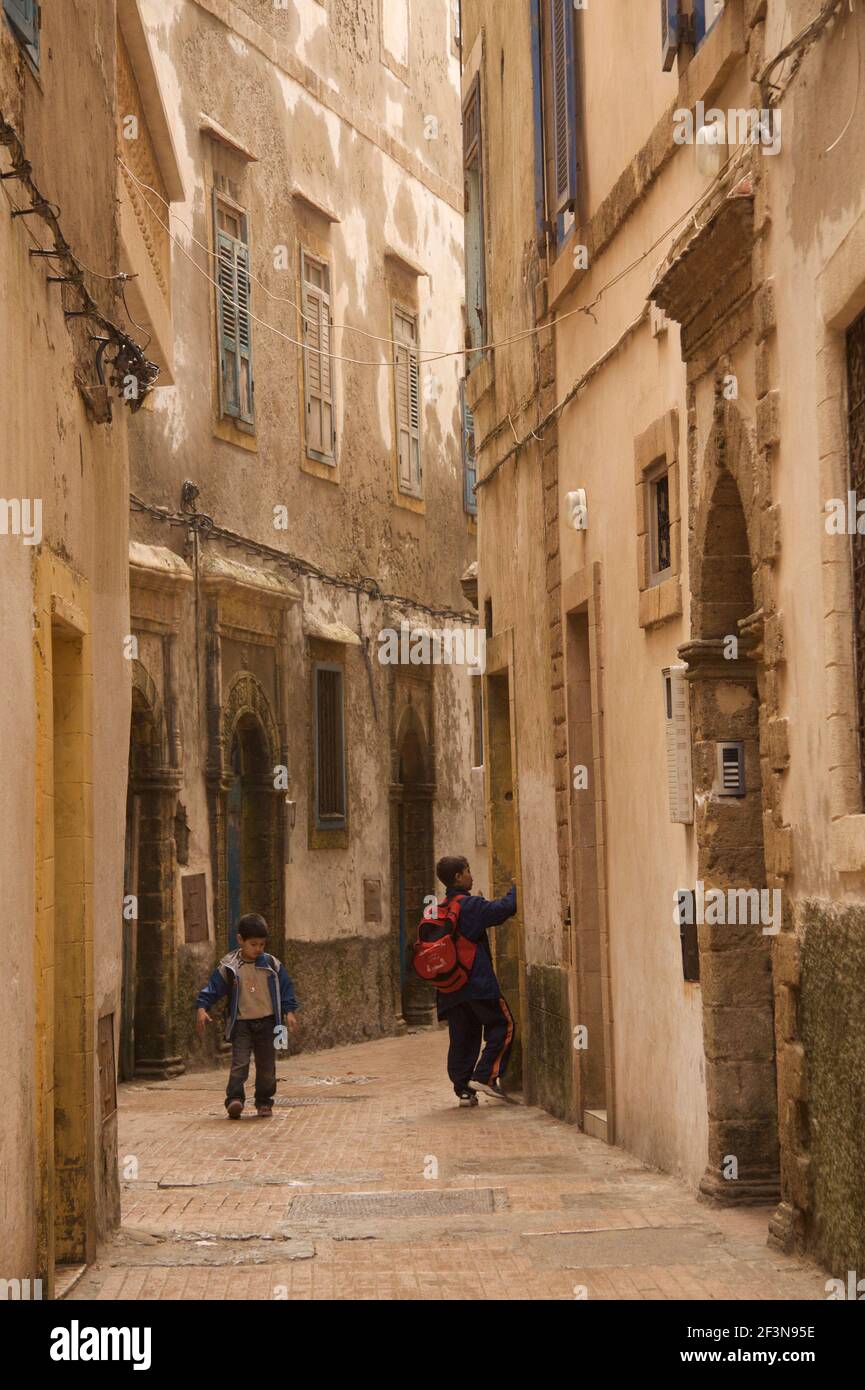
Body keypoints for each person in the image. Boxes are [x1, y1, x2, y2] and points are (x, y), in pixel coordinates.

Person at [195, 913, 299, 1119]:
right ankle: (234, 1099)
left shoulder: (272, 965)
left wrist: (289, 1011)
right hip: (242, 1024)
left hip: (269, 1023)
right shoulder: (230, 966)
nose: (258, 949)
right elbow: (213, 988)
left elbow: (286, 988)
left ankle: (264, 1101)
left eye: (262, 944)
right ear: (240, 940)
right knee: (239, 1063)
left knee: (267, 1066)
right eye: (253, 944)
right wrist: (202, 1007)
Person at [433, 855, 517, 1107]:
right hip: (477, 984)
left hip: (449, 989)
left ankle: (464, 1092)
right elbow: (504, 909)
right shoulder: (470, 906)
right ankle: (484, 1077)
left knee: (462, 1038)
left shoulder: (440, 908)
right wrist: (516, 887)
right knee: (503, 1025)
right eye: (468, 871)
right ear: (458, 877)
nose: (472, 875)